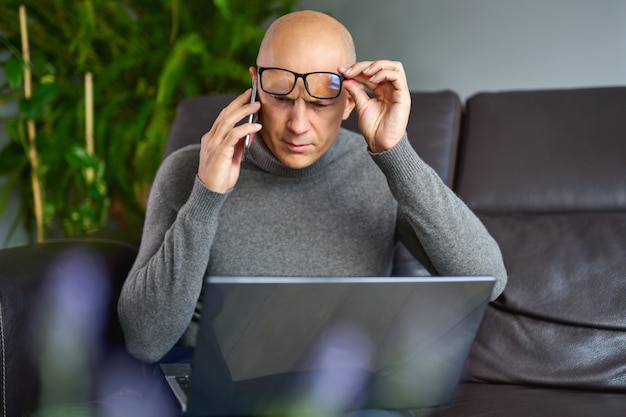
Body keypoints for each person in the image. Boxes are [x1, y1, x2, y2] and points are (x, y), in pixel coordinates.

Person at [118, 9, 507, 415]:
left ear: (349, 100)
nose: (298, 125)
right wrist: (206, 196)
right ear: (255, 88)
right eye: (281, 98)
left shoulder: (381, 170)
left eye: (320, 102)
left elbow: (490, 279)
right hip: (222, 393)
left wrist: (396, 155)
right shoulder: (189, 170)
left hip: (345, 391)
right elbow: (145, 341)